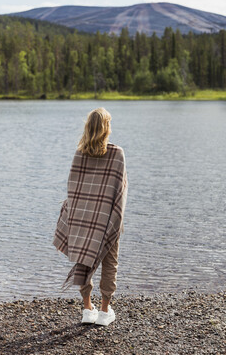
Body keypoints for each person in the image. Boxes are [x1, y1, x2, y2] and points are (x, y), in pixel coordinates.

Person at [53, 107, 128, 326]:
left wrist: (75, 216)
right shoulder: (117, 153)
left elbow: (73, 190)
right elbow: (120, 191)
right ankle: (104, 312)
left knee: (83, 260)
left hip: (82, 218)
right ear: (106, 128)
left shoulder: (79, 154)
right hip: (107, 218)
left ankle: (87, 308)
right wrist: (116, 218)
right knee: (110, 262)